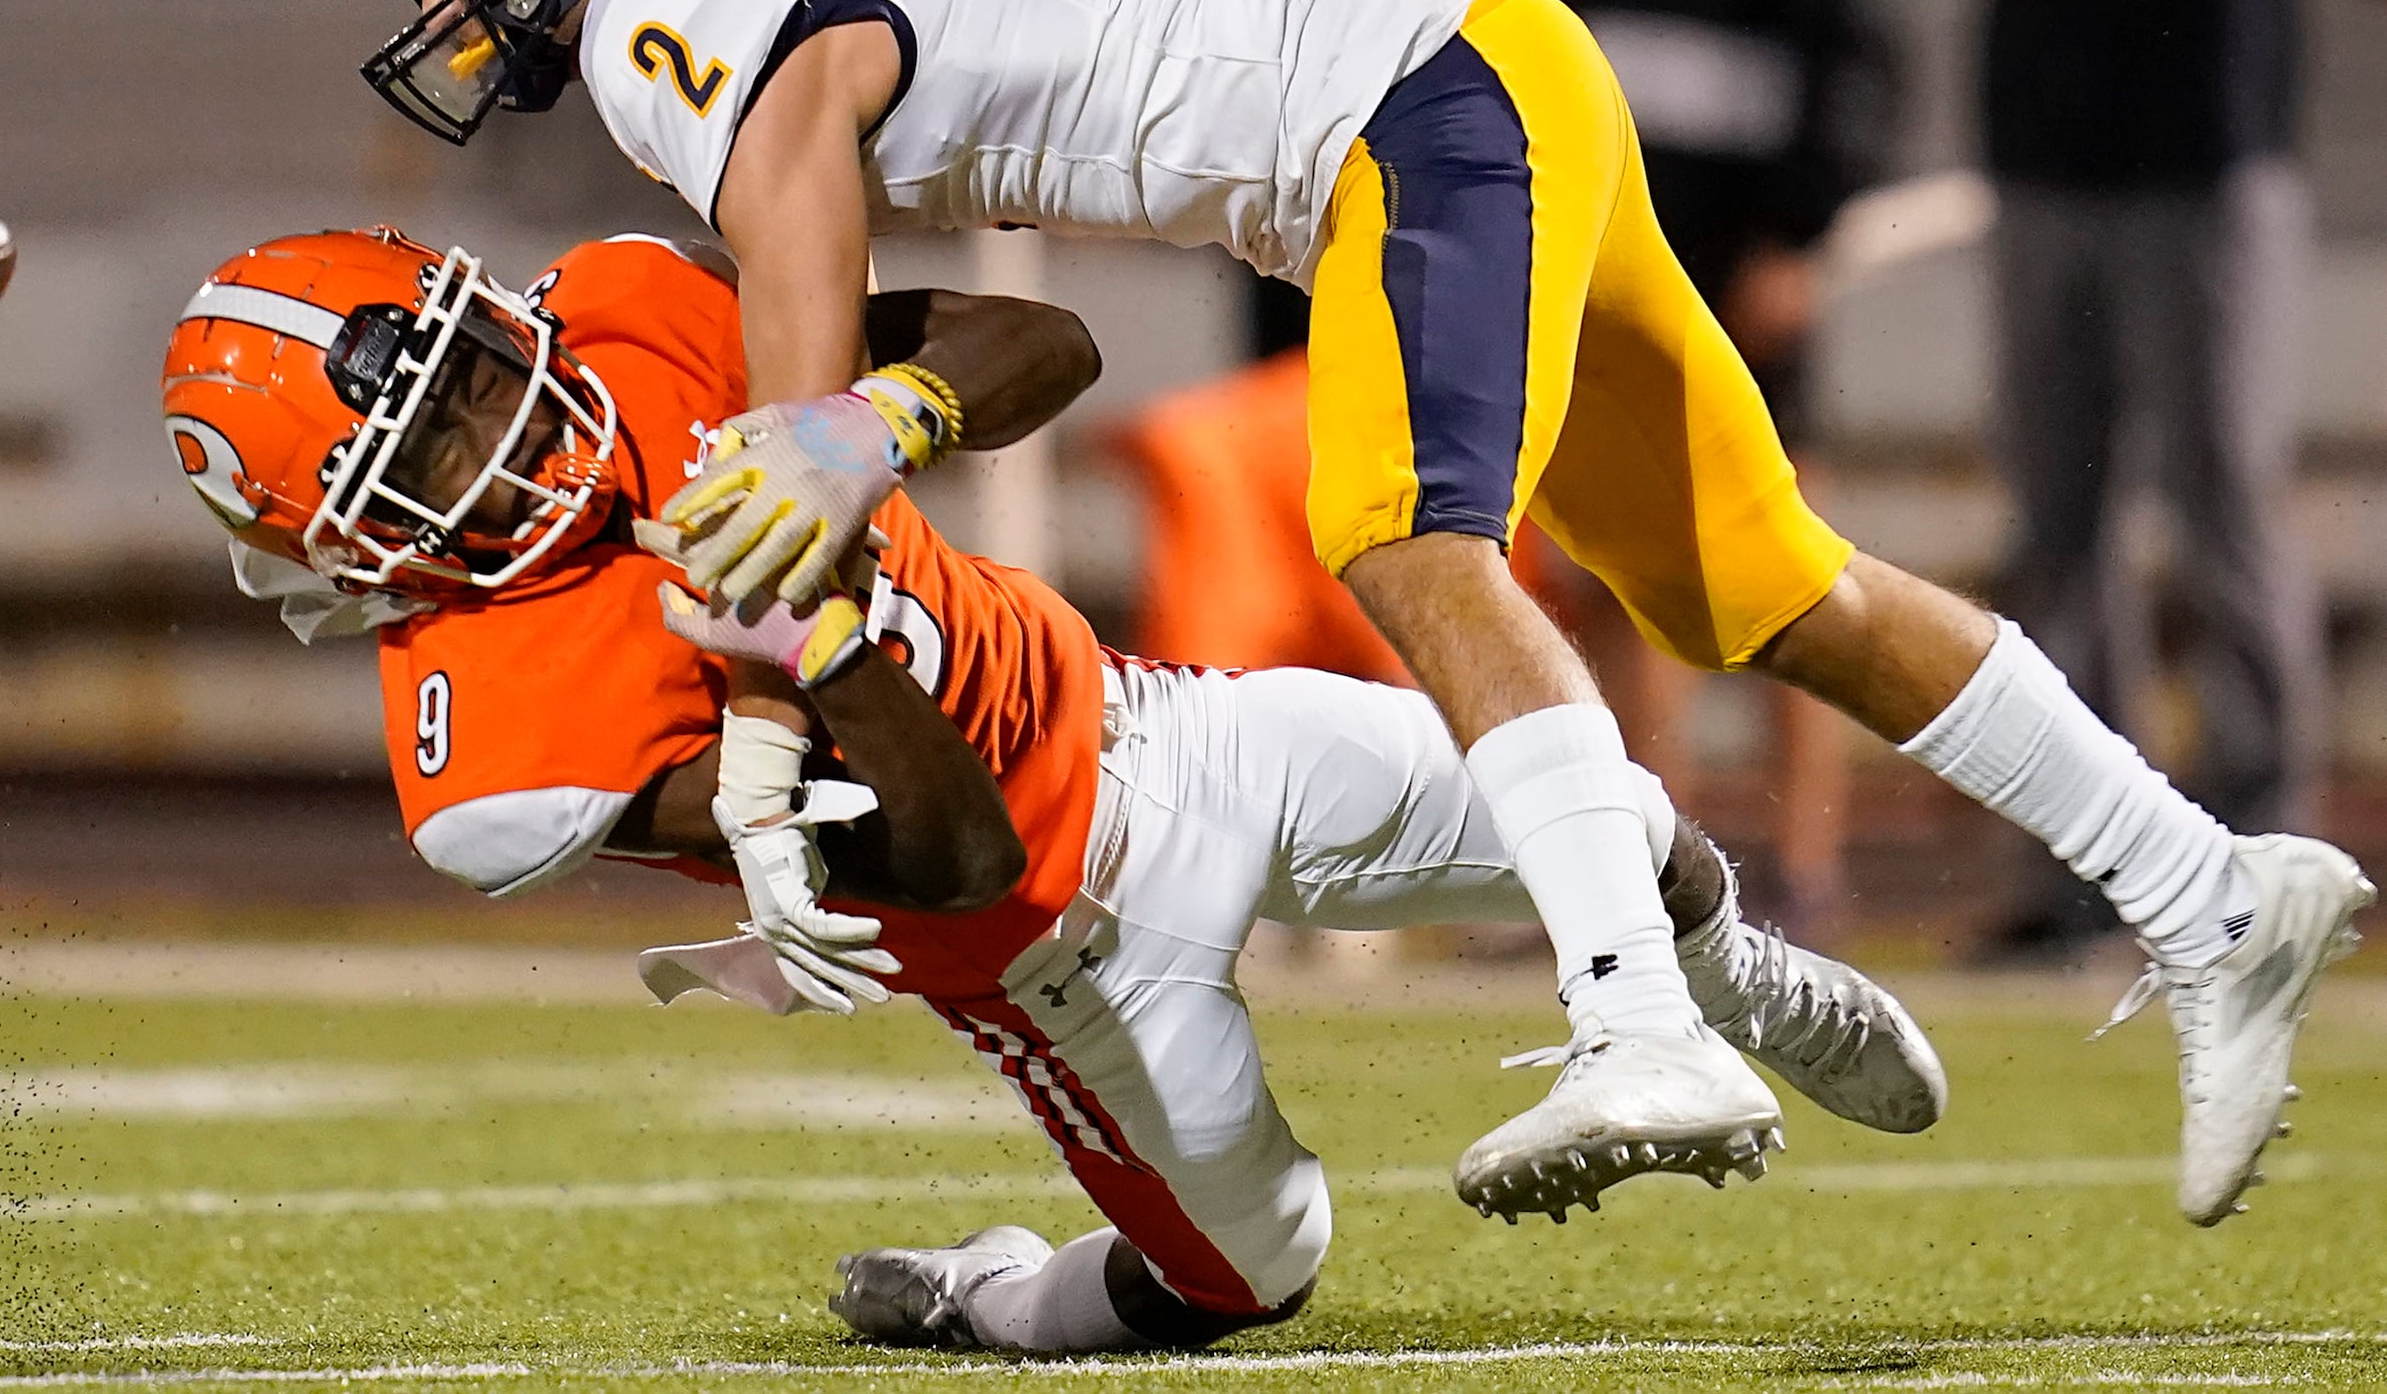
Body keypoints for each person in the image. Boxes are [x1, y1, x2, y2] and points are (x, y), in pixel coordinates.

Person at [300, 0, 2368, 1227]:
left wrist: (826, 469)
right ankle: (2203, 887)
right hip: (1465, 72)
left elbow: (798, 252)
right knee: (1753, 581)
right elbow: (844, 353)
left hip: (1404, 99)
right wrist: (815, 551)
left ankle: (1637, 1024)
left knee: (1394, 534)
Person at [157, 224, 1944, 1356]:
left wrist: (873, 424)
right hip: (1051, 952)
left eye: (477, 374)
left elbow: (1043, 338)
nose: (516, 434)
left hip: (1157, 724)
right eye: (440, 452)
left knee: (1596, 810)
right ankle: (994, 1290)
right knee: (1255, 1272)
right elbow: (953, 852)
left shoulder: (630, 320)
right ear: (345, 542)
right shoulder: (500, 750)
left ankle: (1734, 975)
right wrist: (819, 635)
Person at [1918, 0, 2330, 964]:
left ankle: (2268, 843)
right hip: (2042, 154)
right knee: (2054, 514)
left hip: (2207, 151)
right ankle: (2081, 862)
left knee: (2221, 497)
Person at [1529, 0, 1894, 936]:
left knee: (1779, 542)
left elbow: (1855, 36)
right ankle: (1658, 859)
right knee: (1608, 550)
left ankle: (1805, 864)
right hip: (1602, 218)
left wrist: (1801, 229)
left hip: (1744, 232)